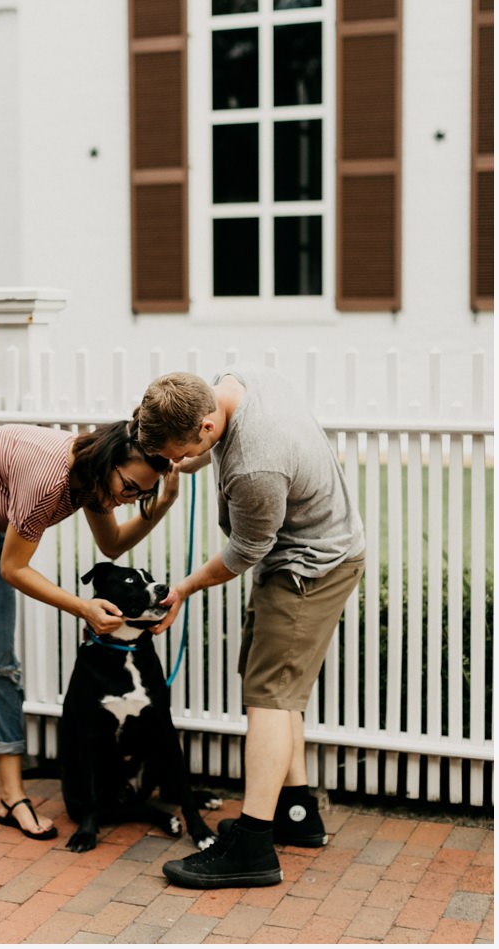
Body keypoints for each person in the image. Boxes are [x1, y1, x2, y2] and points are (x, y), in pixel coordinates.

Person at [0, 416, 180, 846]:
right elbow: (14, 568)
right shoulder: (50, 479)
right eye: (130, 489)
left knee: (1, 666)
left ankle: (12, 795)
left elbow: (113, 545)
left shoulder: (95, 478)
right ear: (108, 462)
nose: (129, 499)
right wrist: (83, 607)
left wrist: (167, 499)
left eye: (141, 494)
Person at [135, 366, 365, 889]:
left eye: (176, 452)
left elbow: (245, 550)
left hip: (308, 567)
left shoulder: (255, 466)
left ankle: (253, 846)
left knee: (269, 698)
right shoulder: (234, 384)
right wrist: (191, 459)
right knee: (278, 690)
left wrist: (183, 590)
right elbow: (205, 449)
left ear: (207, 428)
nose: (171, 463)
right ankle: (296, 812)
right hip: (311, 554)